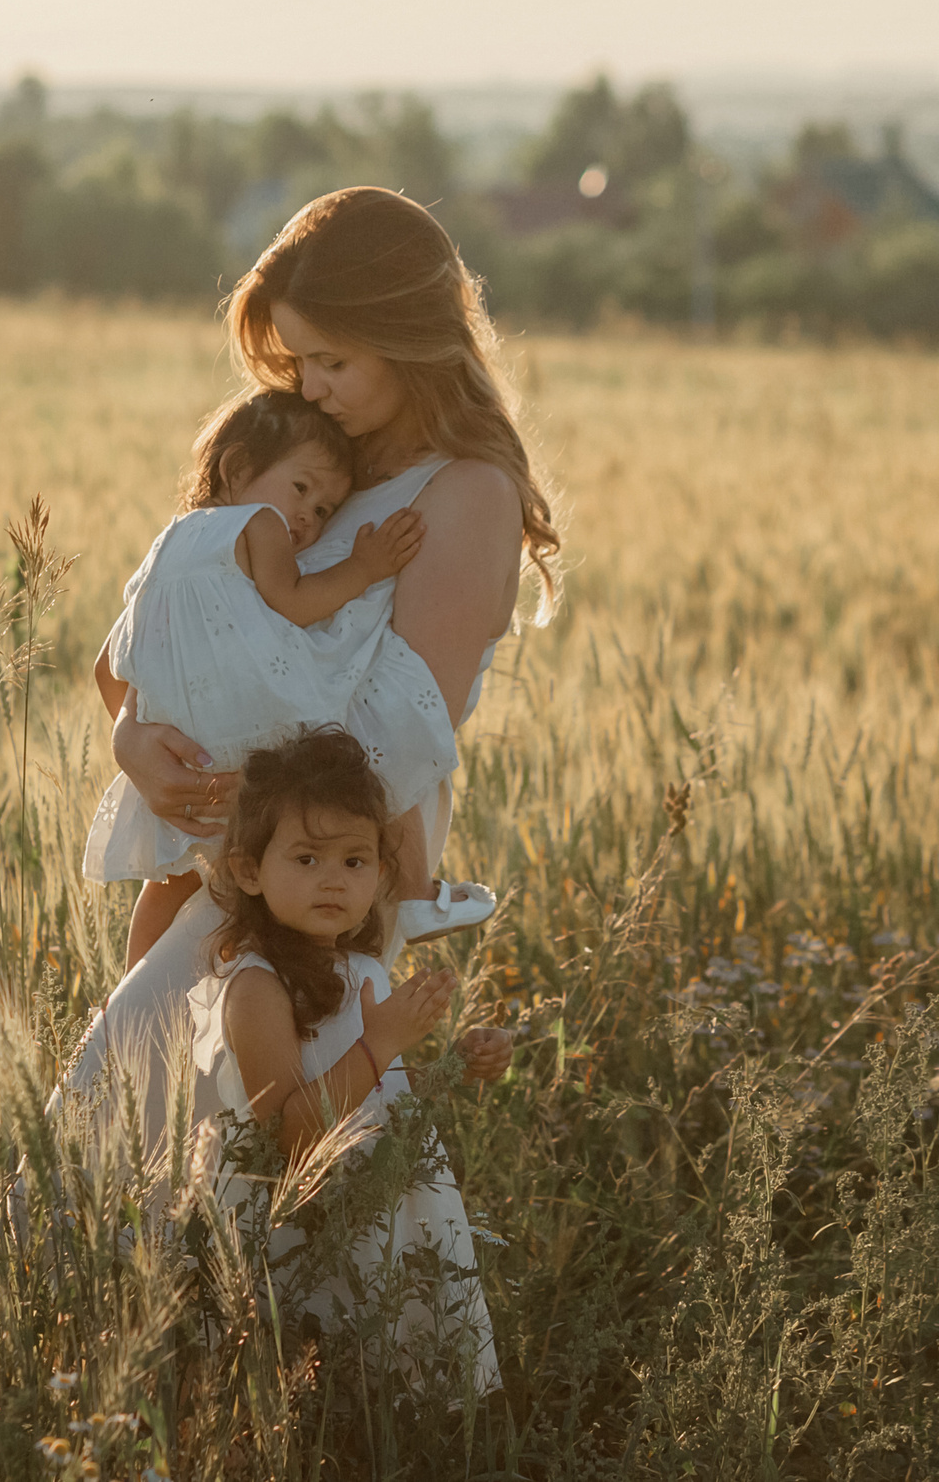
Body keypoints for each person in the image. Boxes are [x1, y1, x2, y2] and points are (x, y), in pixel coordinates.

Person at [57, 185, 561, 1159]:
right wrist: (133, 742)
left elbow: (404, 730)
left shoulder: (464, 493)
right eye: (297, 360)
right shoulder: (308, 463)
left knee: (246, 1156)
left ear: (409, 339)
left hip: (309, 882)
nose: (310, 385)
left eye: (333, 360)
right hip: (230, 852)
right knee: (137, 1138)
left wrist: (240, 811)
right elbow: (171, 623)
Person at [183, 727, 507, 1393]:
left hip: (375, 1212)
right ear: (249, 869)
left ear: (383, 875)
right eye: (306, 858)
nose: (333, 879)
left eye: (355, 862)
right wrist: (382, 1038)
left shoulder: (360, 967)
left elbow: (376, 1091)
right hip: (304, 1232)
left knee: (394, 1378)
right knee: (319, 1380)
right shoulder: (257, 986)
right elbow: (293, 1135)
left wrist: (451, 1066)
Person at [83, 388, 434, 970]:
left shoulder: (166, 543)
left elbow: (109, 667)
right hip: (256, 741)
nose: (308, 517)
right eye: (302, 489)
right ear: (237, 468)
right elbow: (295, 602)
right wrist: (365, 567)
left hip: (191, 759)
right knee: (371, 748)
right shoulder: (258, 524)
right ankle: (412, 897)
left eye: (325, 511)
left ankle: (131, 993)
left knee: (174, 882)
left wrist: (152, 728)